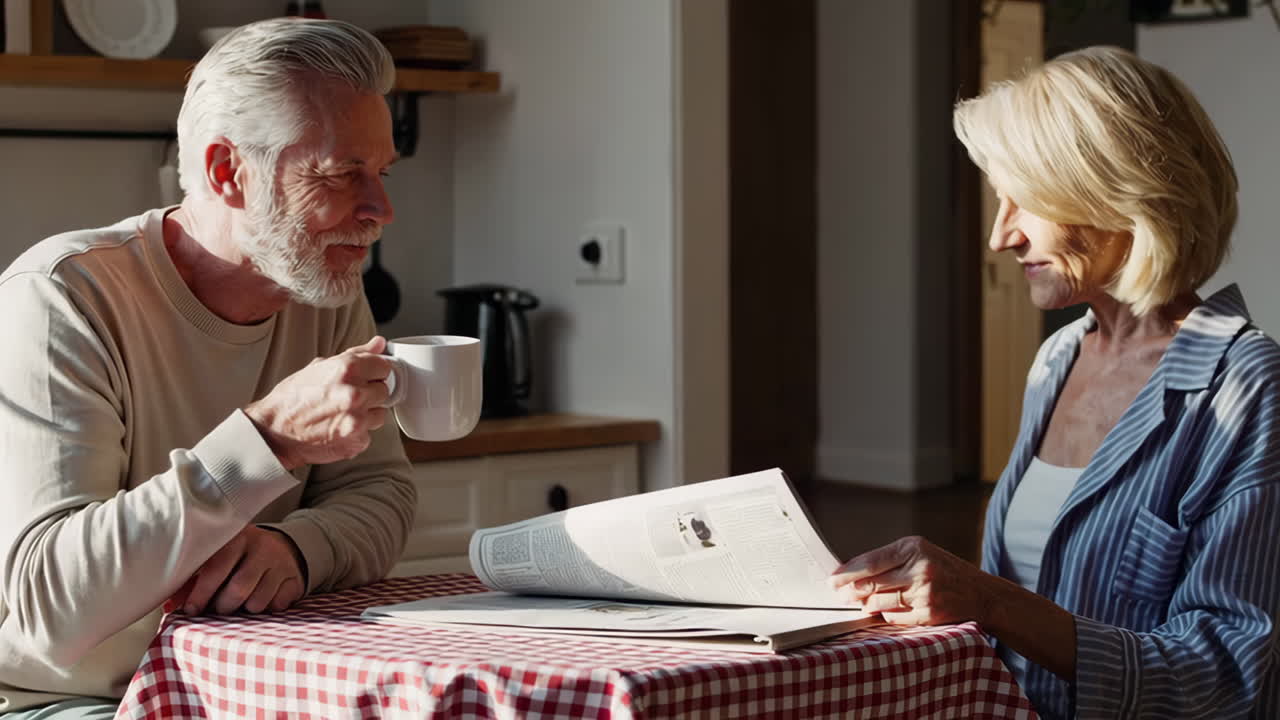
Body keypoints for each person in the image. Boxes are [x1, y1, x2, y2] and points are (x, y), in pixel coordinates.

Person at [831, 46, 1280, 719]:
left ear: (1117, 191)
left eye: (1026, 201)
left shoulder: (1246, 387)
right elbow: (1014, 619)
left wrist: (988, 598)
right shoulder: (1057, 360)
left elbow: (1224, 677)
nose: (999, 236)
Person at [0, 18, 416, 718]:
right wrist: (265, 441)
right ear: (229, 172)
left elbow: (382, 493)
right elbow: (52, 609)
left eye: (380, 173)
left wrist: (296, 549)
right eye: (345, 173)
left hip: (252, 687)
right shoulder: (63, 297)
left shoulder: (322, 288)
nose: (382, 211)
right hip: (67, 702)